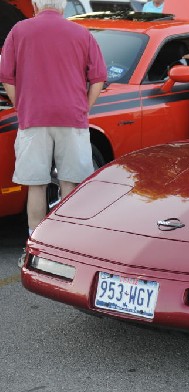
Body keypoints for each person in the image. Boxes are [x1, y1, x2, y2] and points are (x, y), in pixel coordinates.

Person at [0, 0, 106, 239]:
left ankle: (34, 242)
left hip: (33, 117)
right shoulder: (81, 32)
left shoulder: (19, 30)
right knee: (70, 182)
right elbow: (98, 77)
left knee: (35, 184)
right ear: (64, 6)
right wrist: (84, 108)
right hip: (72, 116)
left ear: (36, 5)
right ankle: (66, 242)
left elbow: (6, 75)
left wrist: (21, 105)